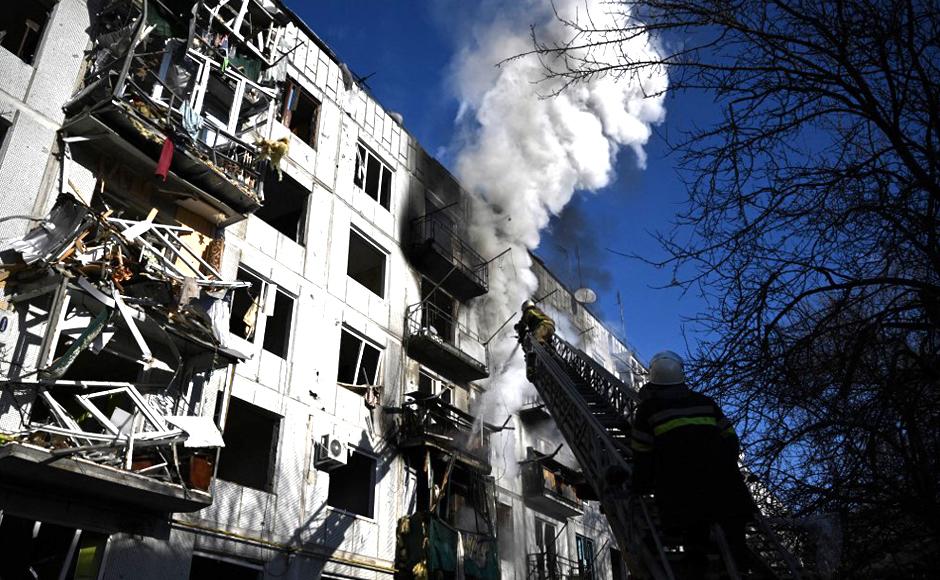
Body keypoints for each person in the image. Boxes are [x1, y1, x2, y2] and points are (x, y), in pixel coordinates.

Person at [630, 350, 763, 578]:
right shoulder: (706, 402)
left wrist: (639, 486)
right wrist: (725, 464)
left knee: (694, 537)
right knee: (733, 530)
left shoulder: (648, 410)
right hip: (724, 482)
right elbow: (731, 439)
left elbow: (642, 453)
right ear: (681, 375)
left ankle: (699, 565)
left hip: (681, 486)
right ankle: (738, 565)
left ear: (653, 381)